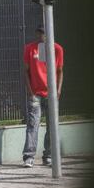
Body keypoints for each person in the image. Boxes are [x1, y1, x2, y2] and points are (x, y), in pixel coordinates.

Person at [22, 25, 64, 168]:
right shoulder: (30, 48)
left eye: (44, 34)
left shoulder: (57, 49)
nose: (41, 36)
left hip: (51, 94)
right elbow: (26, 72)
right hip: (36, 94)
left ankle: (49, 155)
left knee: (52, 126)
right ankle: (29, 156)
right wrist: (30, 91)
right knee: (33, 124)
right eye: (39, 33)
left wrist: (58, 91)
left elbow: (60, 71)